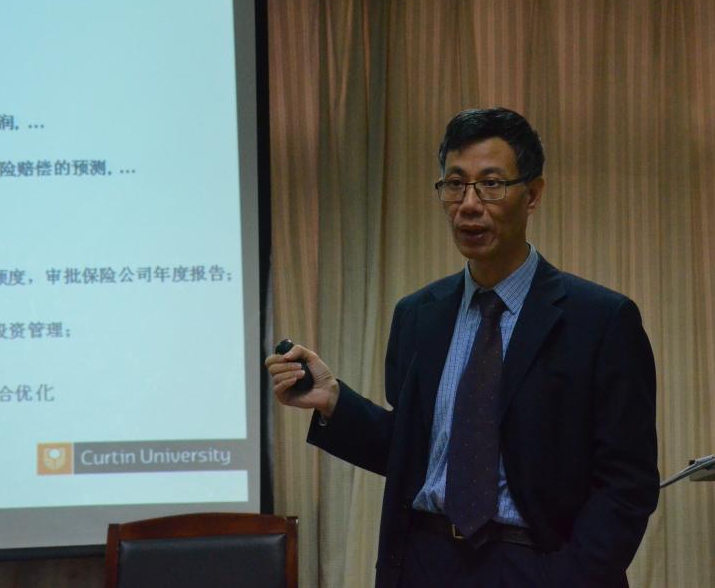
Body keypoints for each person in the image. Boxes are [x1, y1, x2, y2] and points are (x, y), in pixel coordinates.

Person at [265, 107, 658, 587]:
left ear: (533, 194)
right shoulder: (418, 315)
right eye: (455, 184)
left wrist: (569, 577)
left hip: (536, 563)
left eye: (491, 184)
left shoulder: (600, 320)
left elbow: (627, 483)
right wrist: (333, 401)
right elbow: (419, 453)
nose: (469, 204)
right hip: (425, 561)